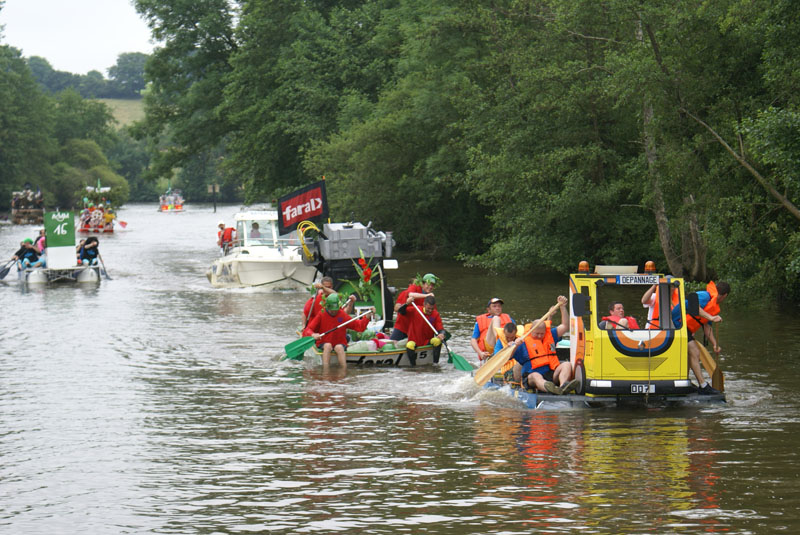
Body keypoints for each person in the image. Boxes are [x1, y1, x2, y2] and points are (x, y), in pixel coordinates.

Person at [512, 295, 577, 394]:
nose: (539, 336)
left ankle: (563, 387)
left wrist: (563, 307)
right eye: (536, 334)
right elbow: (509, 356)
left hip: (551, 374)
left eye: (541, 334)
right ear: (531, 331)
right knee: (536, 376)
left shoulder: (550, 335)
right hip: (532, 377)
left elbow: (565, 326)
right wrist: (515, 345)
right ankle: (549, 388)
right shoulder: (522, 342)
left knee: (567, 364)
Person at [302, 293, 374, 372]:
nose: (333, 311)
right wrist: (313, 334)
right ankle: (326, 371)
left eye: (335, 310)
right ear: (327, 307)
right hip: (324, 342)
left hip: (339, 342)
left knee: (339, 348)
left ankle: (343, 371)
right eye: (331, 309)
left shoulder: (342, 314)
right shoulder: (321, 314)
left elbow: (359, 326)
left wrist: (367, 316)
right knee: (328, 346)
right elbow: (307, 329)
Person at [682, 281, 730, 395]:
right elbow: (694, 306)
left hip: (686, 330)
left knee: (691, 354)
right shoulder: (705, 296)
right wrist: (711, 317)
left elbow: (707, 328)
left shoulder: (712, 306)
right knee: (695, 351)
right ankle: (703, 386)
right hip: (677, 324)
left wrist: (715, 344)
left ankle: (685, 382)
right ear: (725, 296)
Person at [398, 295, 446, 365]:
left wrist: (442, 334)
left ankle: (435, 364)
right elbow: (401, 311)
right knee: (409, 345)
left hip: (426, 341)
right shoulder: (415, 310)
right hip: (414, 341)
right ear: (424, 304)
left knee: (437, 341)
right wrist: (407, 303)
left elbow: (440, 329)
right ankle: (413, 367)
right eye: (428, 308)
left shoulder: (435, 314)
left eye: (432, 309)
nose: (430, 311)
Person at [389, 273, 438, 341]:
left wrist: (438, 330)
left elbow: (433, 316)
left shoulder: (431, 300)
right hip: (403, 325)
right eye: (428, 284)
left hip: (416, 329)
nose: (430, 287)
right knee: (393, 343)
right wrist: (426, 296)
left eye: (432, 285)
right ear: (423, 284)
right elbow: (410, 295)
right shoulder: (413, 288)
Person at [471, 297, 514, 362]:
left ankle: (504, 347)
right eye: (494, 306)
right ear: (489, 310)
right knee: (496, 318)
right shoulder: (480, 320)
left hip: (507, 342)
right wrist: (480, 353)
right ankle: (500, 345)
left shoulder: (508, 318)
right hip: (490, 344)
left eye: (499, 306)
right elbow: (473, 340)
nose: (497, 308)